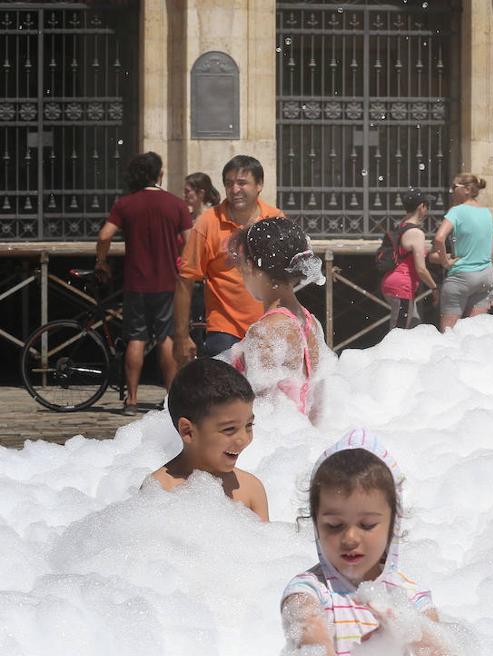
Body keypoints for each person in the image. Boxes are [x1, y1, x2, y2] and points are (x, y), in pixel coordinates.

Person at [280, 429, 476, 656]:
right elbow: (305, 622)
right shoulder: (309, 588)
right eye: (334, 525)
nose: (350, 537)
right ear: (315, 524)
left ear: (393, 525)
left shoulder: (408, 595)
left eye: (367, 525)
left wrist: (416, 628)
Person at [93, 152, 192, 415]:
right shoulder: (176, 205)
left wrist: (101, 261)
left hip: (136, 282)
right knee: (166, 339)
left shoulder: (125, 204)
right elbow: (191, 241)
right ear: (160, 174)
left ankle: (132, 400)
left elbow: (104, 235)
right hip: (168, 282)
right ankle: (171, 398)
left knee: (135, 339)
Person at [174, 155, 284, 365]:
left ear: (259, 184)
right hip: (224, 329)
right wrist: (181, 336)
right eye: (229, 183)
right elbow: (185, 280)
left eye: (242, 183)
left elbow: (287, 276)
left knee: (267, 395)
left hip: (267, 326)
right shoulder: (207, 222)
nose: (235, 190)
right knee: (225, 394)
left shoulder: (275, 220)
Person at [148, 357, 269, 521]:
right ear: (188, 431)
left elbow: (266, 545)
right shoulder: (160, 489)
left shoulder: (251, 489)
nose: (243, 439)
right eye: (229, 429)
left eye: (249, 425)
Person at [228, 217, 325, 416]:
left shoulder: (266, 331)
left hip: (276, 438)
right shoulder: (311, 322)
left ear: (250, 265)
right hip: (303, 435)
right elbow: (317, 404)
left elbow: (260, 410)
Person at [431, 173, 493, 330]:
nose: (451, 191)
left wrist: (445, 262)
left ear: (467, 190)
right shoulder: (487, 213)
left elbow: (439, 238)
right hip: (486, 277)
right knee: (476, 334)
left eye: (454, 187)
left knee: (449, 335)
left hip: (461, 277)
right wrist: (492, 288)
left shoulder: (457, 211)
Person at [381, 192, 433, 331]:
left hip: (393, 282)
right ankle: (390, 353)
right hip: (401, 287)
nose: (427, 210)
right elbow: (421, 269)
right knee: (398, 332)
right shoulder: (416, 233)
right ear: (421, 207)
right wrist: (434, 288)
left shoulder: (402, 225)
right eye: (427, 206)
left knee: (413, 324)